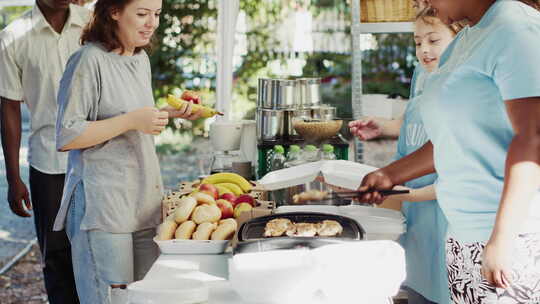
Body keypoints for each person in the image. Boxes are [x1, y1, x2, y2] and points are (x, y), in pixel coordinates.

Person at [359, 0, 540, 303]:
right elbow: (453, 136)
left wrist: (502, 239)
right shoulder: (469, 38)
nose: (421, 1)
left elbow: (533, 137)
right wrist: (389, 175)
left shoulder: (515, 29)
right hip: (463, 235)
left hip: (512, 240)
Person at [53, 0, 200, 302]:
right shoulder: (87, 60)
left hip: (144, 201)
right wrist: (133, 120)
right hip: (105, 205)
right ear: (114, 12)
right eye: (142, 14)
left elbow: (131, 119)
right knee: (110, 299)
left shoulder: (140, 59)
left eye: (157, 14)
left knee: (146, 297)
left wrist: (170, 114)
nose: (152, 23)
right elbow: (67, 134)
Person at [349, 8, 463, 304]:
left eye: (434, 40)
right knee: (415, 289)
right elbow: (415, 124)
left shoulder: (467, 90)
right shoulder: (422, 75)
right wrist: (385, 127)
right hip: (414, 223)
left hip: (446, 224)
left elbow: (459, 168)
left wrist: (405, 193)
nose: (424, 49)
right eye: (417, 42)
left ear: (460, 38)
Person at [0, 1, 90, 303]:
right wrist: (14, 178)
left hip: (99, 156)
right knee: (56, 256)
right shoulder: (13, 37)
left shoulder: (94, 24)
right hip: (47, 163)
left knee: (98, 247)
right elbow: (9, 107)